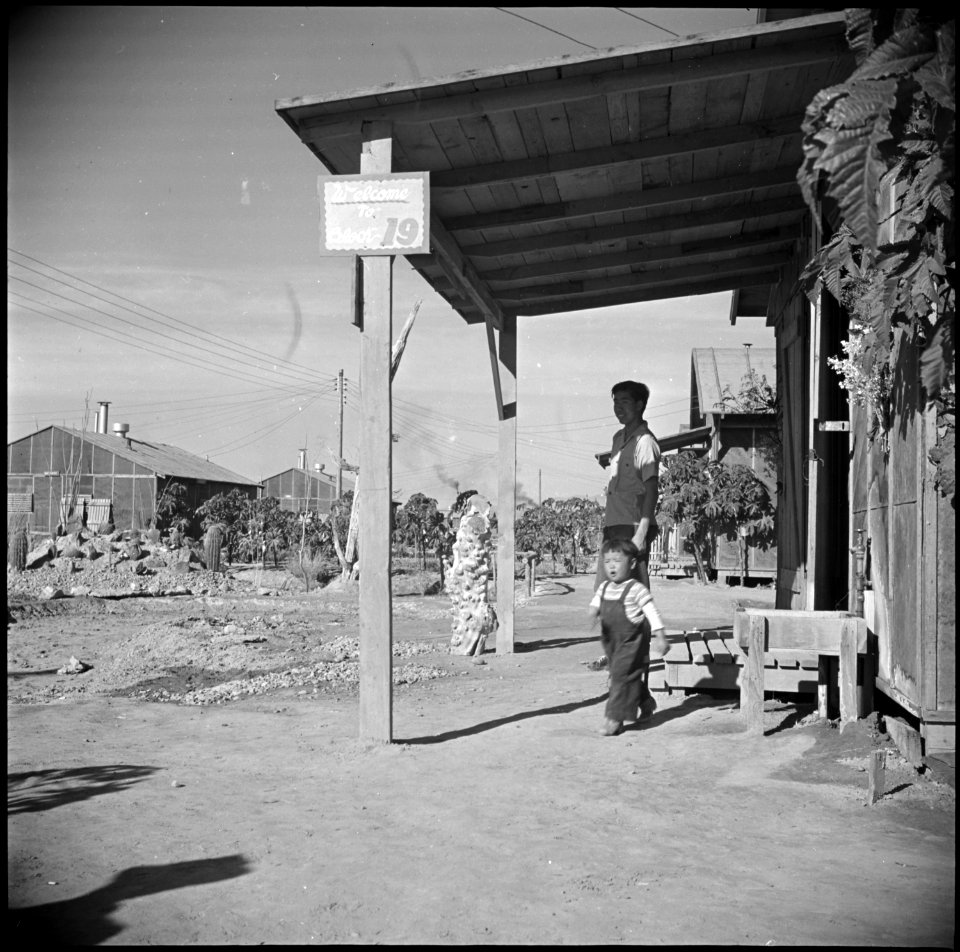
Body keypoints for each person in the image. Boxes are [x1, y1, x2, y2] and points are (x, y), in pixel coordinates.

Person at [589, 538, 670, 736]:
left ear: (632, 564)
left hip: (632, 643)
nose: (611, 566)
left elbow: (651, 613)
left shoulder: (636, 589)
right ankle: (645, 700)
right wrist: (592, 613)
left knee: (618, 677)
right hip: (612, 643)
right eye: (607, 562)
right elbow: (595, 604)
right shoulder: (604, 588)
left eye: (617, 560)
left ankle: (614, 719)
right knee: (628, 675)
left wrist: (661, 635)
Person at [594, 380, 661, 592]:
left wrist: (641, 534)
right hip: (613, 524)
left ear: (640, 405)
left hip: (632, 526)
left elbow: (651, 490)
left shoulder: (646, 443)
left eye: (625, 401)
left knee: (633, 596)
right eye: (616, 402)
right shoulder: (618, 439)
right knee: (606, 592)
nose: (618, 408)